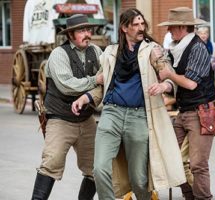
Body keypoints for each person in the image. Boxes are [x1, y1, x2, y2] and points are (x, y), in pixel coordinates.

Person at [72, 8, 186, 200]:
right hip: (111, 114)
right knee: (99, 169)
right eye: (136, 24)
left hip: (139, 116)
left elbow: (170, 76)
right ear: (125, 28)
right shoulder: (110, 52)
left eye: (143, 24)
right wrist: (84, 98)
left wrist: (163, 86)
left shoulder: (153, 50)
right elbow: (103, 85)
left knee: (139, 179)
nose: (141, 28)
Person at [30, 14, 103, 200]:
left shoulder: (95, 51)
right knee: (51, 163)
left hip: (86, 120)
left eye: (88, 30)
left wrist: (99, 83)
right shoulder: (58, 54)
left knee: (96, 167)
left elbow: (107, 75)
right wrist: (95, 80)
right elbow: (67, 85)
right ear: (70, 34)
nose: (87, 34)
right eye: (81, 31)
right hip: (60, 119)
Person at [158, 7, 215, 200]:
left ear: (182, 26)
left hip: (201, 112)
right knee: (173, 160)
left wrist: (168, 75)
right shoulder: (178, 47)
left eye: (171, 27)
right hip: (185, 111)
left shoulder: (198, 48)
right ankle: (190, 196)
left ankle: (202, 198)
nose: (169, 31)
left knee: (198, 164)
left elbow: (190, 84)